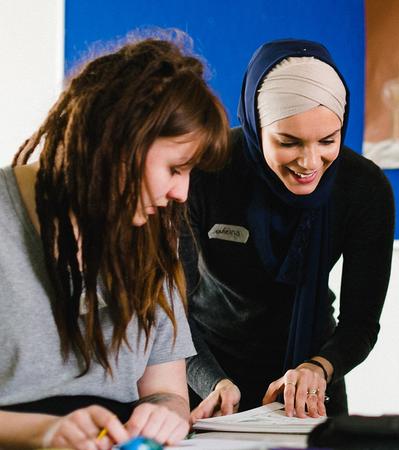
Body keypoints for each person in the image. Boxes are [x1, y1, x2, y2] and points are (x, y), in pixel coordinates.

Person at [0, 33, 229, 449]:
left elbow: (167, 391)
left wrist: (165, 413)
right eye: (176, 168)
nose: (182, 193)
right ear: (117, 144)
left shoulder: (152, 233)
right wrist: (42, 433)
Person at [181, 39, 394, 419]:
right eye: (288, 142)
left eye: (328, 141)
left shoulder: (364, 187)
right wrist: (212, 381)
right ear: (254, 124)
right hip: (208, 377)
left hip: (311, 381)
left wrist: (320, 367)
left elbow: (360, 324)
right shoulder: (204, 172)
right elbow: (171, 314)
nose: (310, 162)